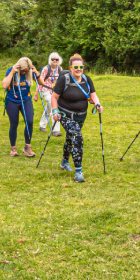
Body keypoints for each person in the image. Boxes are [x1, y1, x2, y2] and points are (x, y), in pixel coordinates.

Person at [50, 54, 102, 183]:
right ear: (70, 68)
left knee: (70, 138)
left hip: (81, 116)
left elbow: (93, 95)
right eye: (76, 67)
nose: (79, 69)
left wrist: (98, 104)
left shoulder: (87, 79)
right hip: (65, 115)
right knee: (77, 138)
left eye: (81, 67)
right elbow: (54, 97)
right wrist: (55, 110)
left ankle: (64, 161)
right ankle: (78, 171)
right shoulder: (64, 80)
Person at [2, 57, 38, 157]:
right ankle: (13, 148)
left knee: (29, 121)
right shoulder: (11, 70)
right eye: (22, 71)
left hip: (26, 99)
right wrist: (12, 72)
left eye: (26, 71)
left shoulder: (29, 72)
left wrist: (36, 73)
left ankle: (27, 147)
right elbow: (4, 85)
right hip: (12, 100)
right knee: (14, 123)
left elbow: (42, 83)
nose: (23, 73)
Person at [38, 52, 63, 135]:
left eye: (56, 59)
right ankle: (56, 130)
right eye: (53, 59)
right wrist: (36, 94)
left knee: (49, 108)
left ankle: (42, 125)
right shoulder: (46, 69)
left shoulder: (60, 69)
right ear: (50, 60)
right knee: (53, 107)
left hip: (55, 92)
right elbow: (40, 81)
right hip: (46, 90)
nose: (55, 61)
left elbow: (62, 81)